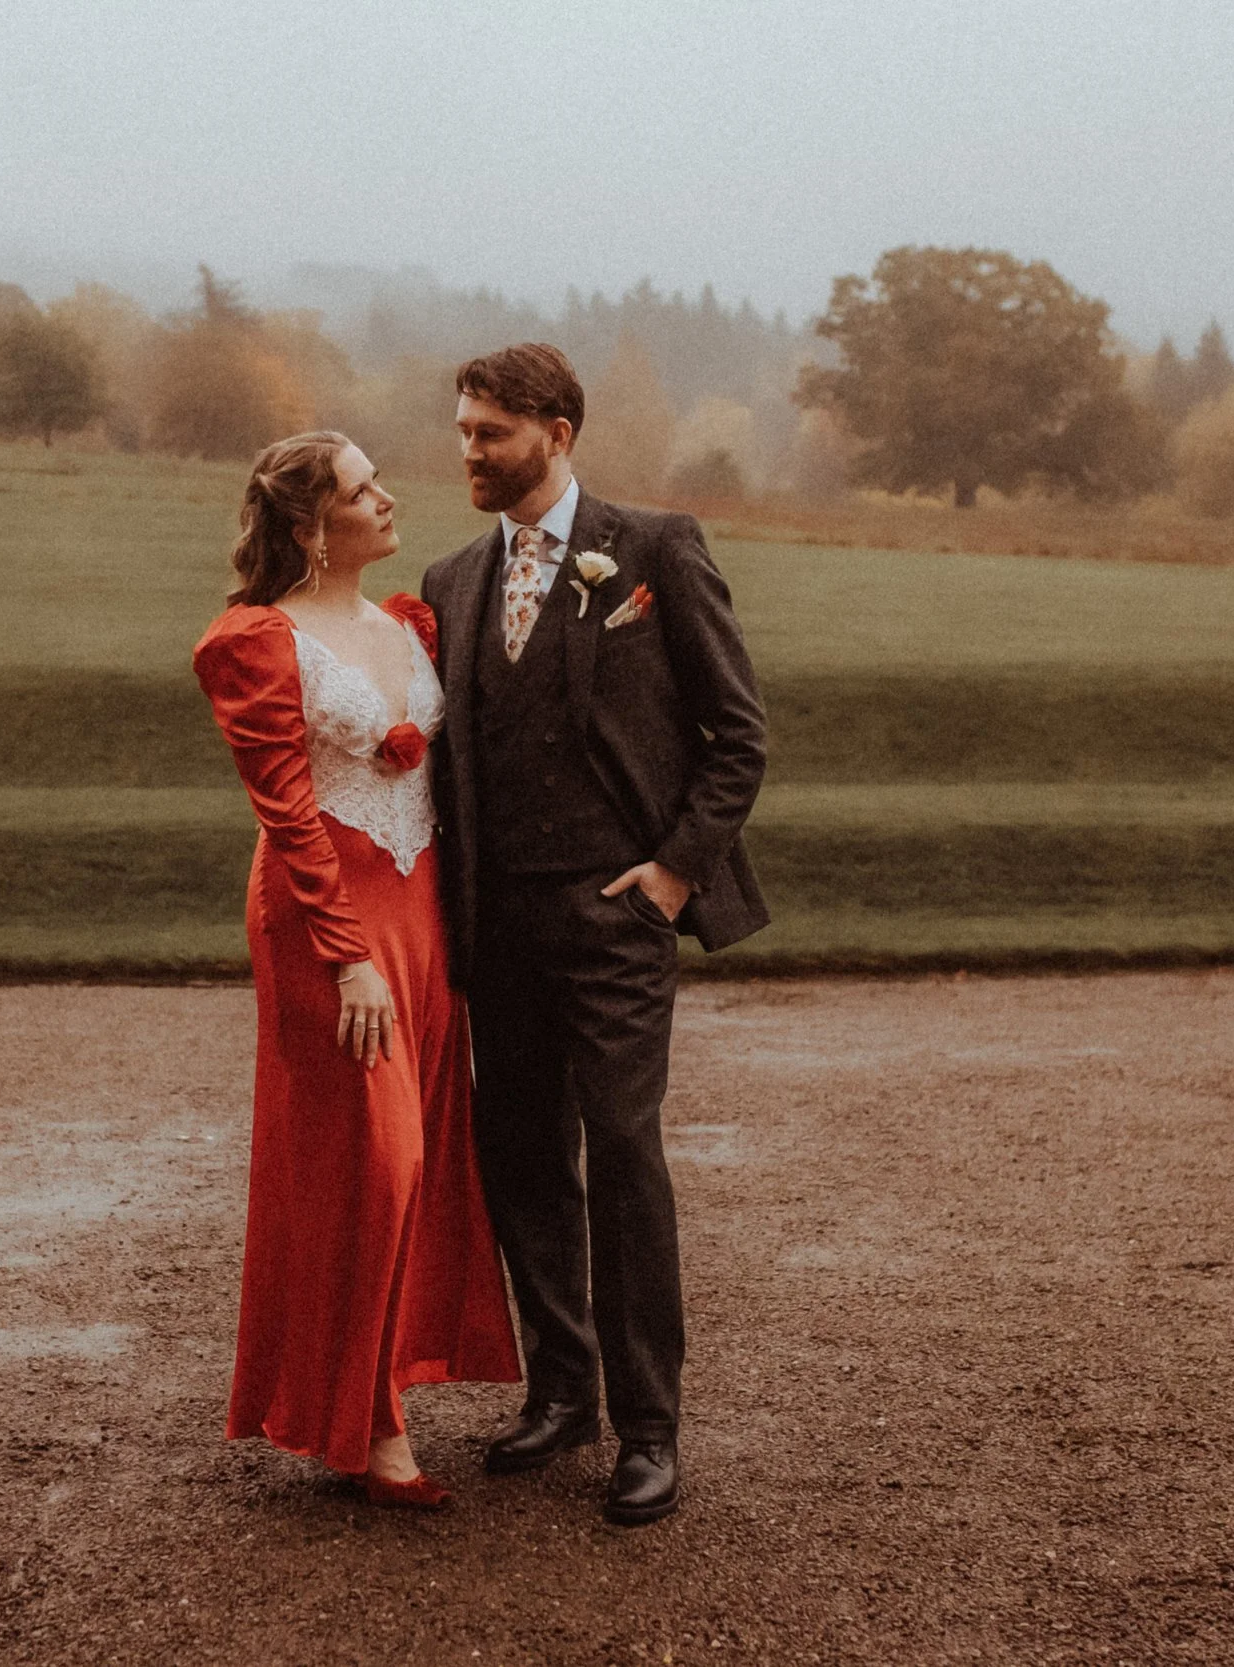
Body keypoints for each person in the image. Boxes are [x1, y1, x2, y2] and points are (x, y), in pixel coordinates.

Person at [419, 345, 769, 1526]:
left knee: (622, 1156)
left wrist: (672, 872)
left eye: (490, 433)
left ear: (556, 431)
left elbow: (738, 735)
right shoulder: (451, 577)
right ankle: (560, 1389)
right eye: (462, 430)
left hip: (617, 918)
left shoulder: (655, 550)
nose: (468, 451)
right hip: (499, 926)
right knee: (520, 1157)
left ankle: (649, 1427)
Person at [192, 430, 519, 1510]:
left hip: (419, 912)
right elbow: (284, 811)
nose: (388, 498)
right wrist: (344, 960)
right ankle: (365, 1423)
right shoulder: (253, 641)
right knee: (372, 1160)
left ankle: (379, 1397)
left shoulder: (407, 622)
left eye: (377, 481)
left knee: (421, 1161)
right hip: (325, 920)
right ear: (307, 525)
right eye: (360, 489)